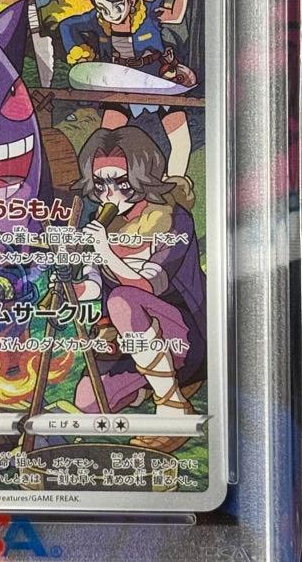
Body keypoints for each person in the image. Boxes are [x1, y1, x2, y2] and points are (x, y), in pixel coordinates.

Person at [71, 126, 206, 448]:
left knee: (123, 299)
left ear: (143, 176)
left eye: (121, 183)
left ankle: (173, 407)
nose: (110, 194)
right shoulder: (103, 224)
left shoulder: (173, 219)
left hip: (184, 338)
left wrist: (105, 252)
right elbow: (92, 287)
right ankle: (158, 383)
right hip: (132, 343)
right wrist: (70, 280)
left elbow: (147, 285)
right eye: (101, 184)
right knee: (88, 402)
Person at [58, 0, 197, 175]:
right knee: (105, 141)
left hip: (155, 79)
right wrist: (77, 50)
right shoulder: (97, 19)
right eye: (103, 8)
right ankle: (106, 183)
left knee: (180, 140)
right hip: (119, 82)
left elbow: (175, 15)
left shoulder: (148, 12)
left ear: (131, 2)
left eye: (116, 7)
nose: (110, 14)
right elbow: (66, 26)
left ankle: (176, 185)